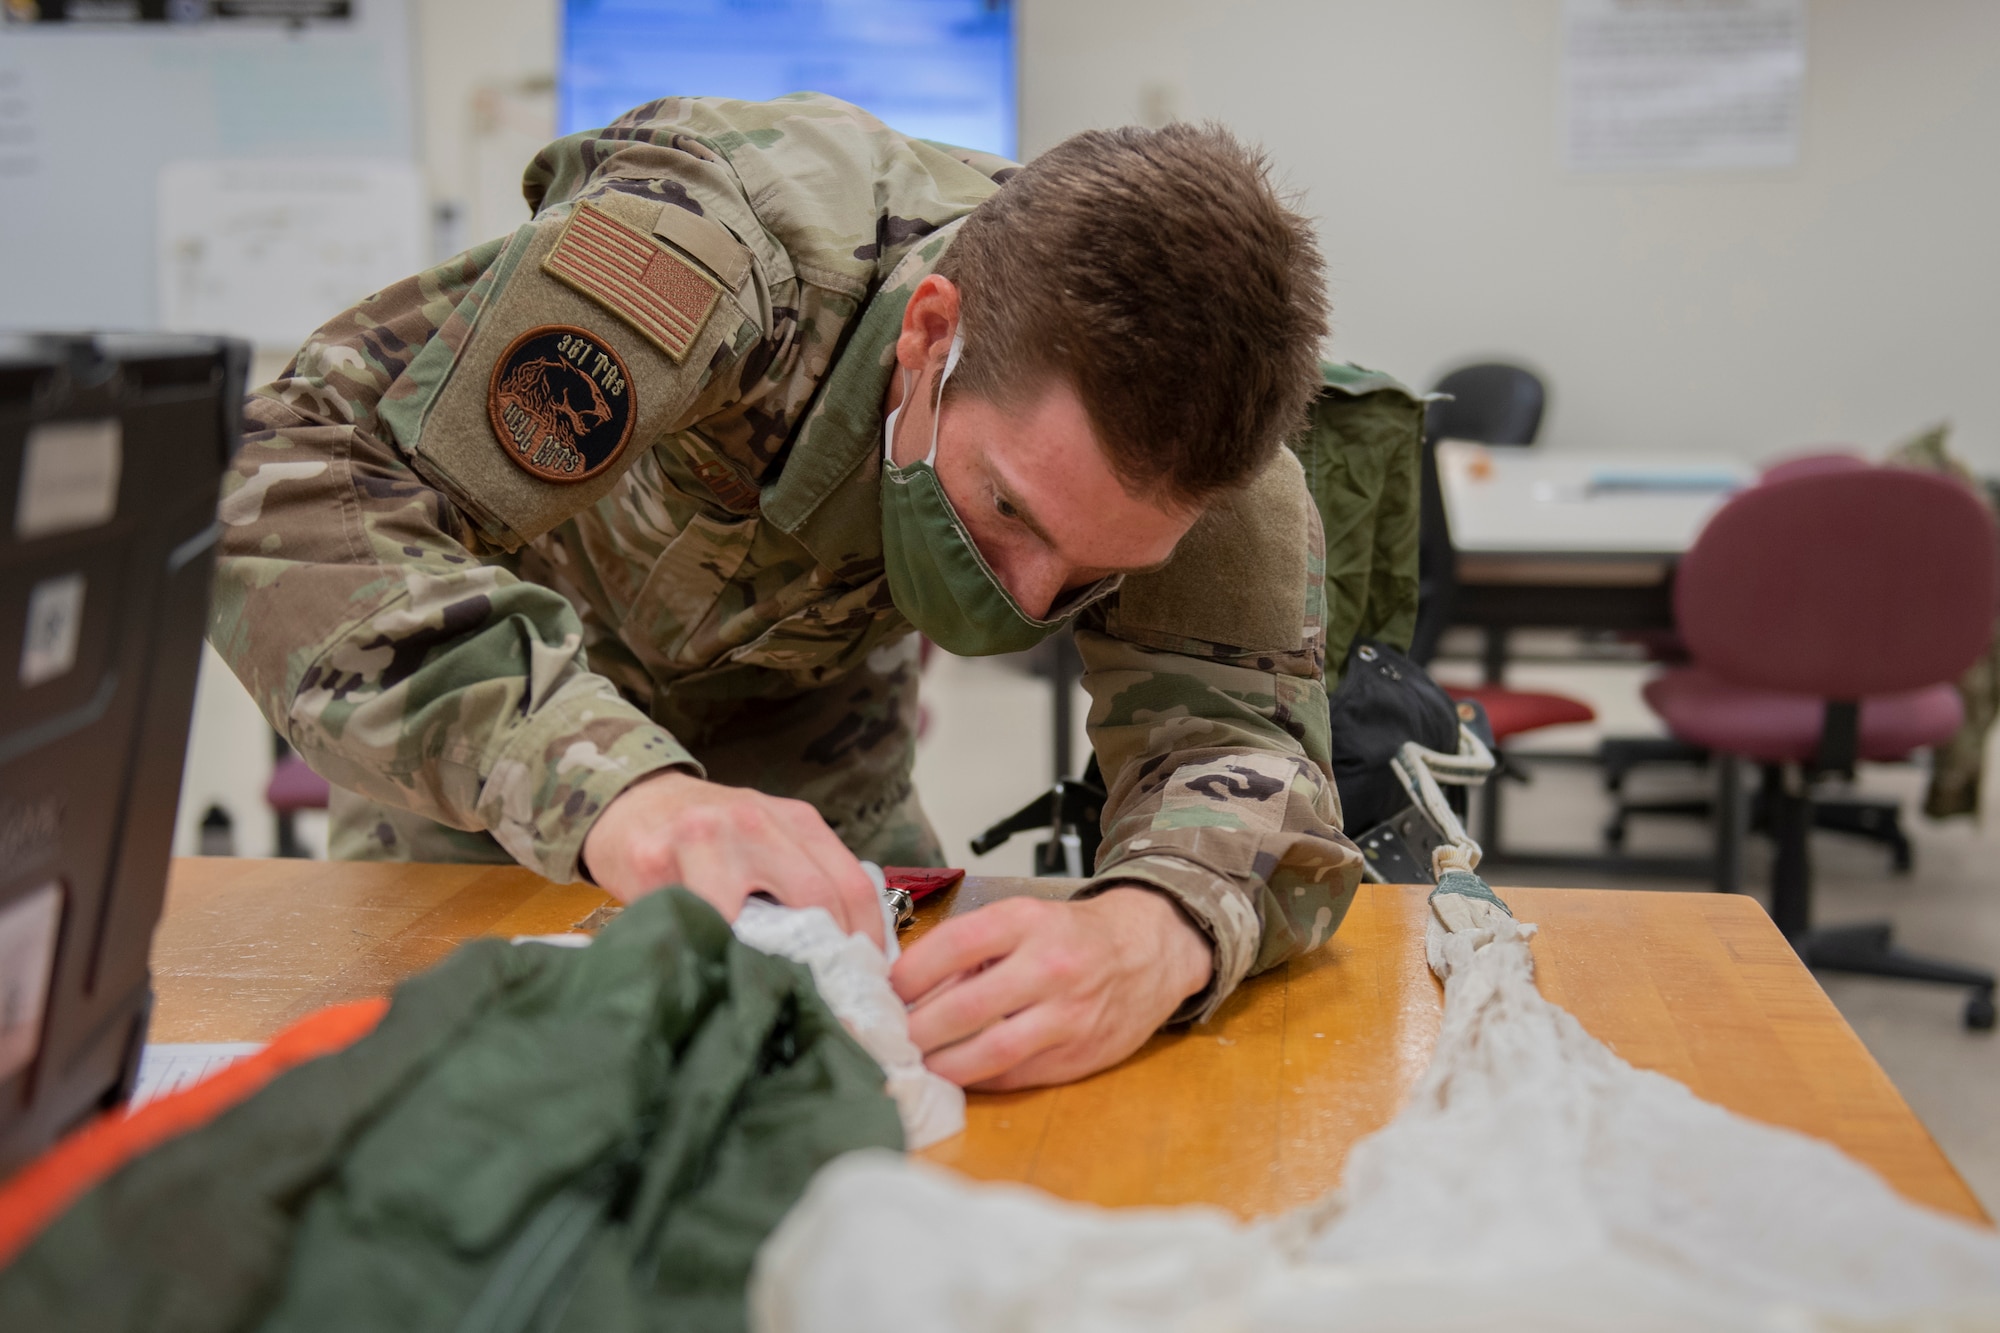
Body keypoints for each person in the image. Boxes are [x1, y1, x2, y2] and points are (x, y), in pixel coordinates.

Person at [210, 93, 1362, 1091]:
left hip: (815, 763)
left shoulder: (1217, 460)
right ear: (929, 336)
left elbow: (1242, 749)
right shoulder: (710, 253)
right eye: (1008, 510)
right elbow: (281, 479)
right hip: (490, 731)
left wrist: (1158, 928)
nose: (1026, 599)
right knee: (446, 1118)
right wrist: (611, 786)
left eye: (1099, 566)